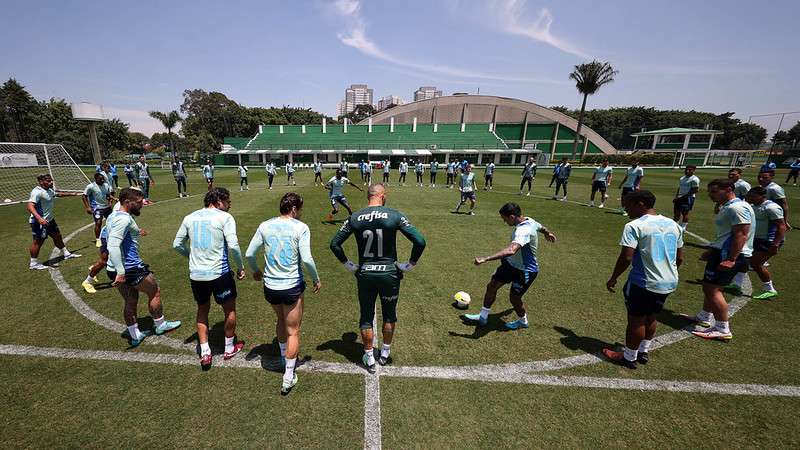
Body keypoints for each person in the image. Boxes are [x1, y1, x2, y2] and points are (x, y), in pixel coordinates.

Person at [329, 183, 426, 372]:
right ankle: (385, 353)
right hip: (389, 273)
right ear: (382, 196)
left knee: (366, 316)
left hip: (365, 273)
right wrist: (409, 265)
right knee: (389, 315)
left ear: (369, 196)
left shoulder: (354, 217)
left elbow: (335, 244)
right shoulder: (395, 215)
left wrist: (350, 266)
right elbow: (420, 241)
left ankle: (368, 356)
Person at [246, 192, 321, 395]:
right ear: (294, 209)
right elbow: (306, 259)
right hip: (291, 286)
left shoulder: (264, 225)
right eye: (300, 209)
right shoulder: (301, 227)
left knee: (280, 320)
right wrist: (315, 278)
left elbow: (249, 254)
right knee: (293, 331)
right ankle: (289, 375)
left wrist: (255, 270)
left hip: (270, 286)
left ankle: (282, 357)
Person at [602, 190, 684, 369]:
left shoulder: (635, 226)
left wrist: (613, 277)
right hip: (669, 281)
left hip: (644, 281)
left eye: (628, 204)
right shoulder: (673, 224)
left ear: (640, 204)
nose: (625, 208)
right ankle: (643, 350)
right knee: (652, 315)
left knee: (636, 319)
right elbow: (679, 258)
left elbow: (626, 258)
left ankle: (629, 357)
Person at [173, 187, 246, 370]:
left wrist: (191, 256)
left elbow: (177, 244)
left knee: (202, 309)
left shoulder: (189, 217)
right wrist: (240, 266)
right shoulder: (225, 218)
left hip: (196, 274)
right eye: (228, 201)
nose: (229, 205)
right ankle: (229, 348)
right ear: (219, 201)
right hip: (219, 273)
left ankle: (205, 352)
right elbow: (234, 246)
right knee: (229, 309)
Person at [106, 187, 181, 347]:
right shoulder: (123, 219)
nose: (142, 205)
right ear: (127, 202)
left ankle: (135, 335)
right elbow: (112, 245)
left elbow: (112, 235)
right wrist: (121, 272)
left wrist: (136, 231)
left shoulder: (113, 216)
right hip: (130, 268)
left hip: (113, 268)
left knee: (130, 299)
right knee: (154, 291)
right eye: (139, 202)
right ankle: (160, 325)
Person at [683, 179, 755, 341]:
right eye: (710, 191)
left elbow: (741, 234)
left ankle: (723, 328)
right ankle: (704, 316)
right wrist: (713, 249)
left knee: (712, 289)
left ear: (728, 189)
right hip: (722, 251)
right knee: (709, 286)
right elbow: (728, 233)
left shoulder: (737, 207)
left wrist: (731, 258)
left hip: (729, 254)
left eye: (714, 191)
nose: (710, 195)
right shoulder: (729, 206)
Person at [466, 202, 556, 329]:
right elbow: (540, 226)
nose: (504, 222)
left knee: (514, 298)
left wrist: (486, 258)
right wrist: (547, 233)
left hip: (525, 270)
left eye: (505, 219)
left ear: (512, 217)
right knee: (492, 286)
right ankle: (483, 316)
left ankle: (523, 321)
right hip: (510, 264)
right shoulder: (529, 220)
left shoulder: (523, 230)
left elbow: (511, 250)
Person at [27, 174, 82, 270]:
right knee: (38, 242)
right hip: (39, 222)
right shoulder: (37, 192)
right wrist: (40, 219)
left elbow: (57, 194)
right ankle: (33, 263)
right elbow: (30, 206)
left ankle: (66, 254)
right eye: (48, 181)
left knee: (57, 236)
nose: (51, 182)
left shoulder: (49, 190)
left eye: (51, 180)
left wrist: (73, 194)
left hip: (50, 220)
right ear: (41, 182)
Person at [744, 187, 787, 299]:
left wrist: (775, 244)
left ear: (762, 196)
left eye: (753, 196)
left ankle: (770, 289)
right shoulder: (753, 206)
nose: (750, 198)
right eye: (749, 195)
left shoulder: (771, 208)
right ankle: (736, 284)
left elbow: (782, 227)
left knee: (756, 264)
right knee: (745, 259)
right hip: (757, 239)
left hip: (769, 241)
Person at [82, 201, 121, 293]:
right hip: (108, 235)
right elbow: (113, 225)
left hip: (114, 234)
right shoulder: (120, 207)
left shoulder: (127, 208)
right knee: (104, 260)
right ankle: (88, 281)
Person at [82, 172, 114, 247]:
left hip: (107, 207)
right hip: (97, 208)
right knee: (98, 223)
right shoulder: (91, 186)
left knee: (112, 222)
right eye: (100, 179)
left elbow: (108, 194)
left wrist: (110, 201)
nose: (102, 180)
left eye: (103, 179)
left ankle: (111, 237)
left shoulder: (106, 185)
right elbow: (84, 196)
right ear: (96, 179)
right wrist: (88, 207)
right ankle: (98, 240)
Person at [672, 165, 700, 230]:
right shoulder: (682, 178)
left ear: (693, 171)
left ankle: (683, 227)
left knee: (685, 213)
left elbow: (695, 190)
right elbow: (680, 188)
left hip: (688, 198)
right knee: (676, 212)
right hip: (679, 197)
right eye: (686, 169)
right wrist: (676, 196)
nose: (687, 171)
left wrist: (683, 197)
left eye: (690, 170)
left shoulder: (694, 179)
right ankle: (675, 226)